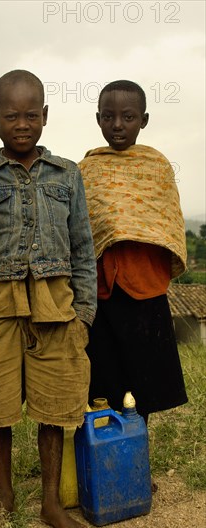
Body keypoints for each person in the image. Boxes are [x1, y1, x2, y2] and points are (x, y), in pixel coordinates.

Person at [0, 69, 97, 528]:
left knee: (54, 408)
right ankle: (5, 499)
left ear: (45, 117)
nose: (21, 124)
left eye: (31, 115)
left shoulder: (66, 174)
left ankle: (51, 503)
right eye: (11, 115)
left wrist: (85, 316)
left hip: (57, 308)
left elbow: (82, 250)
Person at [78, 80, 188, 425]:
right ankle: (107, 460)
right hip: (101, 291)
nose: (117, 125)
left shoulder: (156, 166)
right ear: (98, 119)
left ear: (144, 119)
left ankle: (137, 463)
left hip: (145, 287)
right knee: (103, 382)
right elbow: (80, 229)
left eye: (128, 117)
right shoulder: (87, 169)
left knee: (145, 385)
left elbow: (167, 222)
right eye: (108, 116)